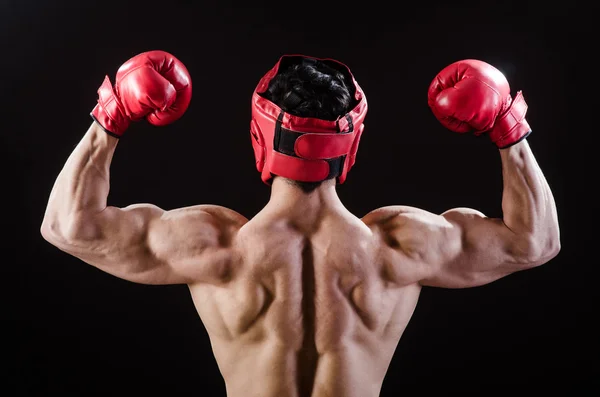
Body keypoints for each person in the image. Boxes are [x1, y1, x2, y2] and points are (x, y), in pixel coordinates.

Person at [41, 51, 561, 397]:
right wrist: (507, 129)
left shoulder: (216, 247)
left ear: (259, 138)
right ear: (350, 146)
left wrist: (111, 116)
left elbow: (67, 227)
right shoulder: (398, 247)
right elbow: (534, 242)